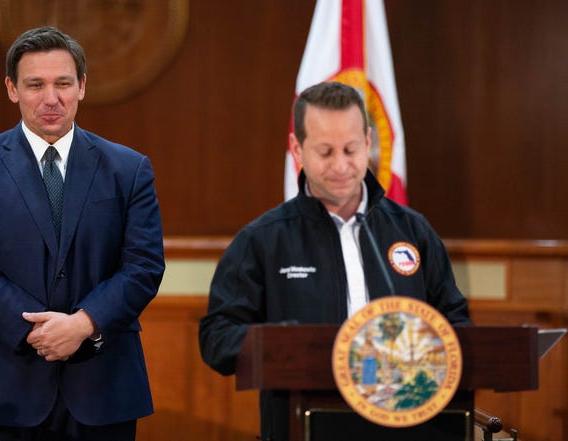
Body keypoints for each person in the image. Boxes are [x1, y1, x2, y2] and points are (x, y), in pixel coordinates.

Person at [198, 81, 471, 441]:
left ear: (369, 142)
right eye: (325, 152)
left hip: (409, 423)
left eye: (351, 149)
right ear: (297, 148)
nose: (341, 165)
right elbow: (217, 338)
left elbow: (456, 324)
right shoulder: (263, 240)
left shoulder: (412, 230)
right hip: (306, 423)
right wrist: (286, 344)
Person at [0, 26, 165, 441]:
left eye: (63, 83)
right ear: (12, 89)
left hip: (101, 388)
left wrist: (81, 324)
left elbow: (144, 266)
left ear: (82, 86)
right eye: (35, 85)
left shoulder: (129, 169)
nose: (51, 98)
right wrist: (36, 330)